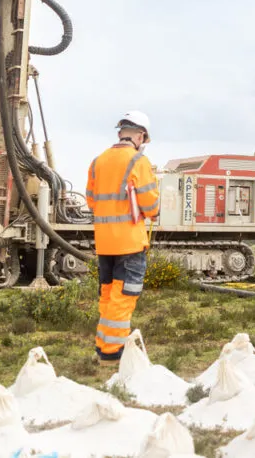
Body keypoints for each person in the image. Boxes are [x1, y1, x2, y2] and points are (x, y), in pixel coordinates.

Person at [86, 111, 160, 364]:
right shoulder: (138, 161)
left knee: (108, 295)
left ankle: (103, 345)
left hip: (104, 243)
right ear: (140, 136)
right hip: (129, 242)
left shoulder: (98, 161)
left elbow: (91, 200)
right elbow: (150, 205)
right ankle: (113, 352)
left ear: (120, 133)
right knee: (123, 297)